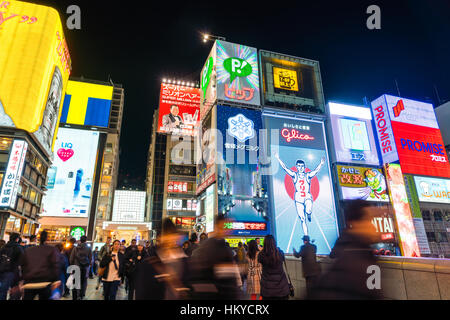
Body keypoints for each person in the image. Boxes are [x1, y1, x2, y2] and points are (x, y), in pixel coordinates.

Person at [308, 200, 382, 300]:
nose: (373, 227)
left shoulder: (358, 252)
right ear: (354, 223)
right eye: (368, 220)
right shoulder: (356, 261)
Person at [189, 216, 242, 300]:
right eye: (223, 226)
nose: (226, 230)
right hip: (215, 294)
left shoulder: (222, 246)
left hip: (219, 293)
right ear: (217, 226)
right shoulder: (211, 246)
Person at [135, 219, 190, 300]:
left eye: (172, 234)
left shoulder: (184, 260)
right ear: (159, 238)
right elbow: (142, 292)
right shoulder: (149, 262)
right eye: (166, 234)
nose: (169, 238)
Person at [275, 153, 325, 236]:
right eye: (299, 166)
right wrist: (278, 158)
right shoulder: (295, 175)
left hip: (307, 197)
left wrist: (321, 164)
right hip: (298, 198)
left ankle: (309, 213)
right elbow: (285, 168)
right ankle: (306, 235)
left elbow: (316, 171)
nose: (300, 167)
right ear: (296, 167)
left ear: (304, 167)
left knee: (308, 210)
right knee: (302, 218)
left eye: (302, 166)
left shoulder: (307, 175)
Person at [20, 231, 60, 300]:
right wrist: (56, 280)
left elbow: (23, 265)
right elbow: (55, 265)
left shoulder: (28, 250)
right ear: (47, 238)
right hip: (45, 283)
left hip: (29, 283)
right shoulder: (51, 250)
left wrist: (22, 280)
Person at [258, 235, 290, 300]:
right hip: (281, 288)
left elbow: (260, 260)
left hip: (267, 290)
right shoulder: (280, 253)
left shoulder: (261, 255)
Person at [0, 232, 23, 300]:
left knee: (2, 291)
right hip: (12, 272)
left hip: (2, 270)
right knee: (14, 291)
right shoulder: (18, 248)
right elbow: (22, 262)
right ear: (17, 239)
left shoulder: (4, 247)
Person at [70, 235, 92, 300]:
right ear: (86, 240)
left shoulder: (75, 248)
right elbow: (90, 258)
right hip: (84, 268)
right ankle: (81, 296)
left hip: (76, 267)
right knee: (83, 282)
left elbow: (71, 258)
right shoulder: (88, 248)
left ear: (80, 240)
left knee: (75, 282)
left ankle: (74, 297)